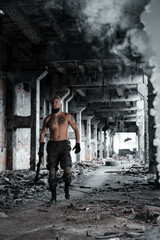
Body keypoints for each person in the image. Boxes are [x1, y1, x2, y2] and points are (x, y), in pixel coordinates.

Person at [39, 96, 80, 203]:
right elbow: (43, 133)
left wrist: (78, 143)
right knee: (52, 172)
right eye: (53, 103)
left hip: (64, 145)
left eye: (57, 102)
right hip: (52, 146)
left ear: (60, 104)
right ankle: (53, 197)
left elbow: (76, 129)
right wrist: (41, 146)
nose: (55, 104)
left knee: (67, 171)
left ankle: (66, 189)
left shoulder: (67, 116)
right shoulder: (48, 119)